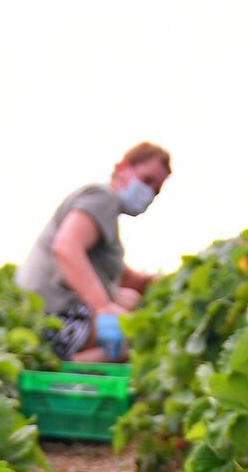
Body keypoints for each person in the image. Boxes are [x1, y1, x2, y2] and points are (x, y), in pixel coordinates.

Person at [16, 142, 171, 362]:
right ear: (123, 168)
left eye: (156, 190)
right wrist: (104, 308)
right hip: (52, 319)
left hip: (39, 312)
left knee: (128, 299)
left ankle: (71, 363)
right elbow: (66, 247)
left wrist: (160, 281)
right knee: (143, 337)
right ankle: (59, 370)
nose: (149, 193)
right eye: (146, 180)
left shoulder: (105, 214)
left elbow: (127, 279)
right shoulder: (102, 198)